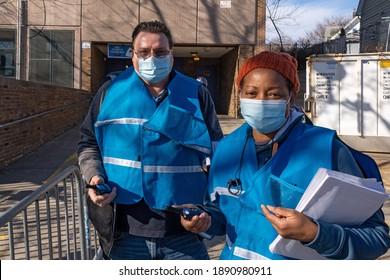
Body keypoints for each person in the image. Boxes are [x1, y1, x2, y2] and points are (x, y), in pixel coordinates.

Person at [187, 51, 390, 260]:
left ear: (291, 97)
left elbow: (376, 237)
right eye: (251, 93)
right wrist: (204, 221)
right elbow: (220, 211)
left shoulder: (327, 149)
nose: (261, 101)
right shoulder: (227, 149)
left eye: (274, 94)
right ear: (240, 95)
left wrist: (314, 233)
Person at [77, 20, 223, 260]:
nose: (151, 58)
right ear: (133, 56)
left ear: (172, 56)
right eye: (143, 52)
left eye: (159, 52)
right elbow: (88, 143)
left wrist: (210, 212)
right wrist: (94, 177)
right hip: (124, 233)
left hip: (184, 234)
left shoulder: (196, 94)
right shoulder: (109, 92)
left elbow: (217, 153)